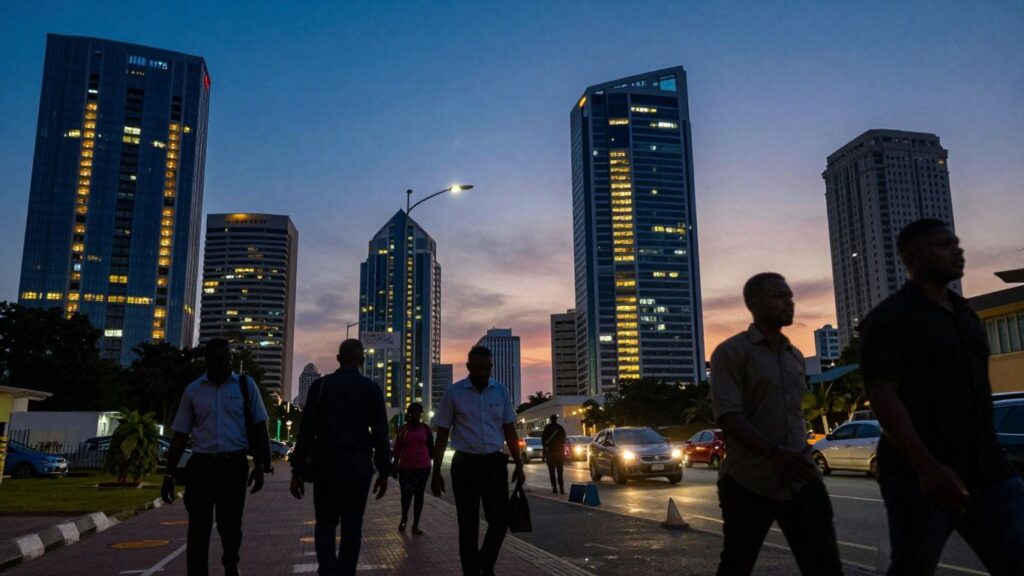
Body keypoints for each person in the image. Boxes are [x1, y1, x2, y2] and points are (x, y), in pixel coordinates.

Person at [860, 219, 1024, 575]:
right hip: (920, 476)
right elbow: (884, 399)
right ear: (911, 257)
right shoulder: (889, 319)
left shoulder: (965, 315)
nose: (956, 250)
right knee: (913, 567)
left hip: (989, 470)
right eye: (943, 245)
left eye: (955, 242)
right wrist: (927, 468)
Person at [709, 273, 843, 576]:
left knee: (825, 564)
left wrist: (798, 455)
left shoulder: (795, 356)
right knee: (736, 565)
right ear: (754, 303)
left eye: (790, 296)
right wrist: (775, 454)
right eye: (780, 296)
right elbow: (729, 416)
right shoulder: (731, 353)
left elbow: (794, 413)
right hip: (748, 482)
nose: (789, 302)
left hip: (801, 478)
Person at [162, 338, 271, 576]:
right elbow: (180, 434)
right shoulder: (193, 390)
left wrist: (261, 465)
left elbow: (260, 426)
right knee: (198, 527)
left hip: (234, 465)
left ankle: (231, 564)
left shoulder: (245, 385)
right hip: (202, 466)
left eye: (229, 358)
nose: (226, 363)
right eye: (220, 359)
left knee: (231, 525)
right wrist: (168, 473)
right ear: (208, 360)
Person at [289, 339, 390, 576]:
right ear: (362, 360)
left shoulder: (321, 386)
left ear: (338, 359)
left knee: (324, 524)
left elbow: (306, 432)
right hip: (358, 470)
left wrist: (297, 471)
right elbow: (380, 434)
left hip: (326, 468)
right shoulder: (370, 389)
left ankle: (327, 570)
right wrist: (384, 471)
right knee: (352, 528)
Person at [431, 346, 526, 576]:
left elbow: (509, 429)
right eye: (479, 368)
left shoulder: (500, 391)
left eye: (488, 368)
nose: (484, 373)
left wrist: (519, 463)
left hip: (494, 464)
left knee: (501, 519)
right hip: (465, 465)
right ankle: (472, 571)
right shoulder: (454, 393)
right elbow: (442, 433)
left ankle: (485, 561)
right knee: (468, 525)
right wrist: (435, 472)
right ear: (469, 367)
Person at [392, 402, 434, 534]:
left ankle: (415, 524)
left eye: (418, 411)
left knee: (419, 496)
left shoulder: (425, 429)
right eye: (413, 411)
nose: (416, 414)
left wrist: (433, 464)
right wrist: (395, 465)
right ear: (409, 413)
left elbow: (431, 447)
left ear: (421, 413)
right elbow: (397, 448)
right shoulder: (403, 430)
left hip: (422, 468)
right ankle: (404, 518)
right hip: (406, 468)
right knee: (406, 496)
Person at [542, 414, 566, 494]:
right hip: (559, 451)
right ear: (556, 419)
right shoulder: (560, 427)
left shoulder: (547, 428)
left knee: (552, 471)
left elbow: (543, 440)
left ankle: (554, 487)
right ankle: (561, 487)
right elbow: (564, 438)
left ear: (550, 419)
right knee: (560, 471)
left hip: (551, 452)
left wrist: (544, 451)